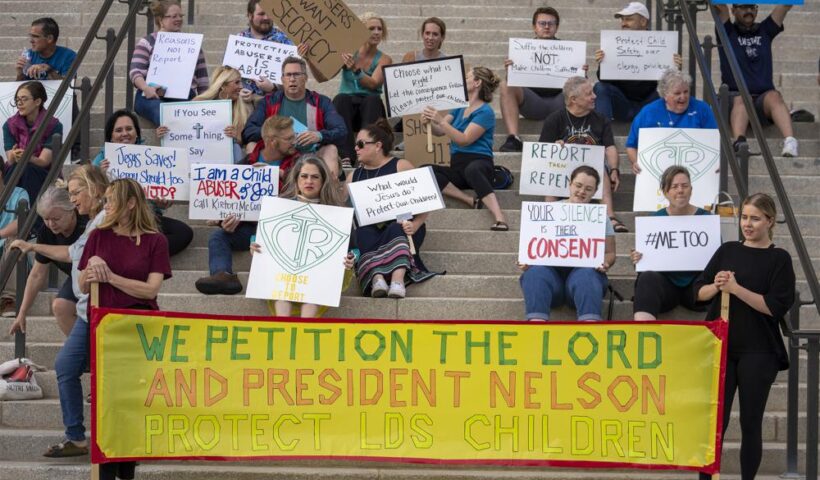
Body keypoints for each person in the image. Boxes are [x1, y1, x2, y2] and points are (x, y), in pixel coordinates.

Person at [694, 193, 795, 480]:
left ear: (770, 221)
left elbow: (773, 307)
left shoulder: (779, 259)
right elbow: (698, 293)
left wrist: (737, 289)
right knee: (714, 422)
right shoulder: (727, 251)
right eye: (744, 217)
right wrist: (716, 286)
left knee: (751, 422)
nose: (747, 224)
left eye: (755, 218)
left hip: (759, 352)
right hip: (721, 348)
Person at [75, 178, 171, 480]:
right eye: (105, 200)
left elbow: (149, 290)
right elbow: (81, 285)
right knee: (107, 402)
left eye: (112, 200)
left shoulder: (155, 241)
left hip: (139, 330)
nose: (106, 206)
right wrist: (92, 270)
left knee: (132, 402)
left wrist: (112, 277)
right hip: (105, 330)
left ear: (131, 203)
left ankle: (127, 469)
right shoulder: (98, 236)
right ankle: (105, 469)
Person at [42, 164, 109, 459]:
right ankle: (76, 437)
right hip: (86, 311)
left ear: (92, 188)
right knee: (67, 366)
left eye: (75, 193)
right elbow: (72, 255)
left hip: (101, 310)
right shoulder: (94, 221)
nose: (73, 200)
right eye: (69, 194)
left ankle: (95, 438)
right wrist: (33, 249)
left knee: (71, 367)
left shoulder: (107, 218)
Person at [251, 156, 354, 317]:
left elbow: (353, 248)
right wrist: (254, 244)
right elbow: (260, 235)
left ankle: (306, 327)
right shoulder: (279, 205)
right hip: (283, 274)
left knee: (313, 290)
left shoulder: (336, 211)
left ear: (323, 180)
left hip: (317, 275)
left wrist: (352, 258)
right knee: (281, 290)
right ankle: (282, 327)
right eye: (304, 176)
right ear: (297, 179)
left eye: (315, 177)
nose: (309, 181)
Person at [347, 119, 437, 298]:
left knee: (396, 227)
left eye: (360, 144)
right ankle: (377, 279)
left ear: (378, 145)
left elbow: (426, 201)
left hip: (405, 228)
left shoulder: (401, 166)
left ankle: (398, 280)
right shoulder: (353, 176)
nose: (356, 148)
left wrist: (417, 224)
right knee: (362, 232)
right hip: (370, 232)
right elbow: (344, 212)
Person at [519, 165, 616, 321]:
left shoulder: (600, 217)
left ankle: (590, 324)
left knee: (587, 274)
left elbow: (610, 253)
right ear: (569, 184)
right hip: (551, 279)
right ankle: (536, 326)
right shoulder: (549, 211)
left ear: (594, 192)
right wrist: (526, 260)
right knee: (534, 272)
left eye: (588, 188)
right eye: (578, 185)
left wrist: (606, 263)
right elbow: (532, 245)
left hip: (583, 278)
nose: (582, 191)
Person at [92, 109, 193, 256]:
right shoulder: (101, 161)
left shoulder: (152, 157)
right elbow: (92, 197)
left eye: (129, 129)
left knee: (183, 233)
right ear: (111, 137)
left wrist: (163, 203)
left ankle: (140, 254)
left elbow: (163, 196)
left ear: (137, 133)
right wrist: (101, 177)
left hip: (147, 218)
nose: (125, 133)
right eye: (119, 130)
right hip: (117, 220)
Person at [422, 66, 509, 231]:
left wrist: (440, 121)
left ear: (477, 83)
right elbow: (440, 131)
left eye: (467, 77)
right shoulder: (459, 107)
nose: (463, 80)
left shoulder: (486, 112)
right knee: (425, 171)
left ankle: (500, 217)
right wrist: (429, 122)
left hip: (480, 163)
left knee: (473, 170)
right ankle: (470, 200)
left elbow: (464, 140)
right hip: (457, 165)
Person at [539, 76, 627, 232]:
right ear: (573, 99)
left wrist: (614, 169)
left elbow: (610, 147)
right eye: (588, 94)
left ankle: (610, 216)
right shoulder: (554, 119)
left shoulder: (601, 119)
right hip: (563, 168)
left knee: (600, 165)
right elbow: (541, 154)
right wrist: (554, 148)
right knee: (551, 171)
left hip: (593, 170)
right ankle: (549, 213)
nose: (594, 96)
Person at [714, 3, 798, 157]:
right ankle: (739, 142)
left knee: (774, 96)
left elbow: (784, 6)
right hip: (735, 97)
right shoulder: (727, 31)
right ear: (733, 10)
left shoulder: (764, 30)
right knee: (742, 98)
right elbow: (720, 7)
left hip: (761, 99)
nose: (748, 11)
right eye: (743, 7)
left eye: (752, 7)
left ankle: (790, 141)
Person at [242, 56, 345, 179]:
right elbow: (248, 132)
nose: (292, 79)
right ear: (282, 79)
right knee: (251, 145)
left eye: (296, 75)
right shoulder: (269, 101)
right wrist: (277, 135)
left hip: (309, 155)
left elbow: (341, 131)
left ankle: (329, 195)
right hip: (280, 153)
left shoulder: (320, 102)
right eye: (288, 75)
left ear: (305, 78)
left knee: (331, 149)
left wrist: (319, 135)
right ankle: (252, 187)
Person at [631, 166, 710, 320]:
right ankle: (643, 333)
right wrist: (638, 259)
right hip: (665, 287)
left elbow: (715, 260)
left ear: (691, 190)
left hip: (698, 290)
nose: (680, 190)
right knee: (646, 278)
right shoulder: (654, 220)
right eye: (674, 186)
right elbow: (644, 264)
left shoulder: (706, 219)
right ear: (665, 191)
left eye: (685, 186)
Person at [8, 186, 87, 335]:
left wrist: (33, 247)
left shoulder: (86, 223)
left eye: (56, 219)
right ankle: (84, 351)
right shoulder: (47, 231)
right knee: (60, 306)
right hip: (75, 276)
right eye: (46, 219)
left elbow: (71, 253)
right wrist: (22, 313)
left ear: (71, 211)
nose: (51, 224)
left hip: (96, 274)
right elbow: (37, 274)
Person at [593, 2, 682, 121]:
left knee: (666, 91)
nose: (623, 24)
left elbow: (670, 83)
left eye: (629, 19)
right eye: (622, 20)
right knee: (600, 87)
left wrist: (675, 68)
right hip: (622, 104)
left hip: (649, 103)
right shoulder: (614, 44)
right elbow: (604, 80)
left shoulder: (661, 45)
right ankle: (603, 134)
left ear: (643, 22)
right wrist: (603, 63)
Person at [129, 0, 209, 125]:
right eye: (174, 16)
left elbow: (202, 79)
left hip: (184, 95)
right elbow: (135, 72)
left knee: (189, 115)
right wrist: (146, 88)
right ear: (160, 19)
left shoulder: (192, 44)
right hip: (152, 95)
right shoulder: (147, 42)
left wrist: (203, 100)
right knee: (162, 113)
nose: (179, 19)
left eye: (180, 16)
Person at [499, 7, 566, 153]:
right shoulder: (522, 50)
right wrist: (511, 71)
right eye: (542, 23)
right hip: (533, 102)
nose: (547, 27)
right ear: (534, 27)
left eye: (551, 23)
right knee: (506, 85)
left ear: (557, 27)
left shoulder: (569, 51)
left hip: (561, 103)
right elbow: (513, 84)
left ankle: (570, 136)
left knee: (579, 87)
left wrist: (581, 73)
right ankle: (513, 138)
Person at [626, 69, 718, 175]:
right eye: (677, 93)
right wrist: (636, 162)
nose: (683, 97)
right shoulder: (648, 112)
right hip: (658, 174)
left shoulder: (702, 109)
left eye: (686, 91)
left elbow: (715, 142)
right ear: (665, 95)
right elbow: (631, 146)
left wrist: (716, 163)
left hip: (696, 171)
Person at [333, 12, 392, 166]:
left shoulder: (385, 59)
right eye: (371, 28)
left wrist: (356, 70)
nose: (376, 32)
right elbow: (322, 77)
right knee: (340, 99)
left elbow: (374, 84)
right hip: (347, 108)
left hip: (370, 110)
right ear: (361, 31)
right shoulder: (348, 52)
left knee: (373, 99)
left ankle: (366, 153)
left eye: (380, 29)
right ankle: (345, 155)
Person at [3, 81, 62, 202]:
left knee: (26, 168)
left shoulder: (53, 125)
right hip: (16, 170)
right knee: (18, 168)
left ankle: (26, 213)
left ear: (37, 102)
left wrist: (26, 157)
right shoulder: (9, 125)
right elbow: (10, 159)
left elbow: (44, 161)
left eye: (24, 99)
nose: (19, 103)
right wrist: (14, 155)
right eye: (17, 99)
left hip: (42, 172)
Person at [192, 66, 253, 162]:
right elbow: (184, 132)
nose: (241, 86)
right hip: (199, 152)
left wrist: (235, 137)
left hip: (225, 154)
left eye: (240, 82)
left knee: (235, 147)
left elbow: (241, 141)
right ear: (223, 85)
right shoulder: (198, 103)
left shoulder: (242, 108)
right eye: (237, 82)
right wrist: (165, 131)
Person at [236, 0, 294, 101]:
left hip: (276, 104)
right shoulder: (239, 40)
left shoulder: (284, 40)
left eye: (269, 13)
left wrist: (274, 87)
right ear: (250, 15)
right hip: (244, 105)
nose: (266, 17)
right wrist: (239, 90)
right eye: (261, 14)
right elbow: (229, 73)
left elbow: (294, 75)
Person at [0, 169, 29, 317]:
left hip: (8, 251)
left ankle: (9, 300)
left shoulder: (19, 193)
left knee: (14, 242)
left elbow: (21, 221)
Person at [244, 115, 300, 188]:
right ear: (272, 141)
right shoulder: (246, 162)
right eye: (289, 139)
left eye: (294, 136)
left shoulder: (299, 161)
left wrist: (281, 174)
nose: (294, 142)